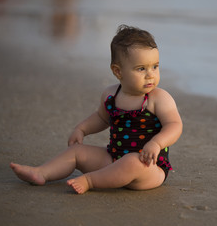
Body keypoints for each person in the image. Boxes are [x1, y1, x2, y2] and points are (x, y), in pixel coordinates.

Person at [10, 25, 183, 194]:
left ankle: (90, 180)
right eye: (141, 69)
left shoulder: (158, 98)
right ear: (118, 71)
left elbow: (174, 125)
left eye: (155, 66)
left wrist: (156, 143)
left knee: (132, 161)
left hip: (148, 168)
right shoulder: (111, 95)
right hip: (113, 159)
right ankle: (41, 173)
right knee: (76, 152)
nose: (150, 74)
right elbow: (101, 118)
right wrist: (81, 129)